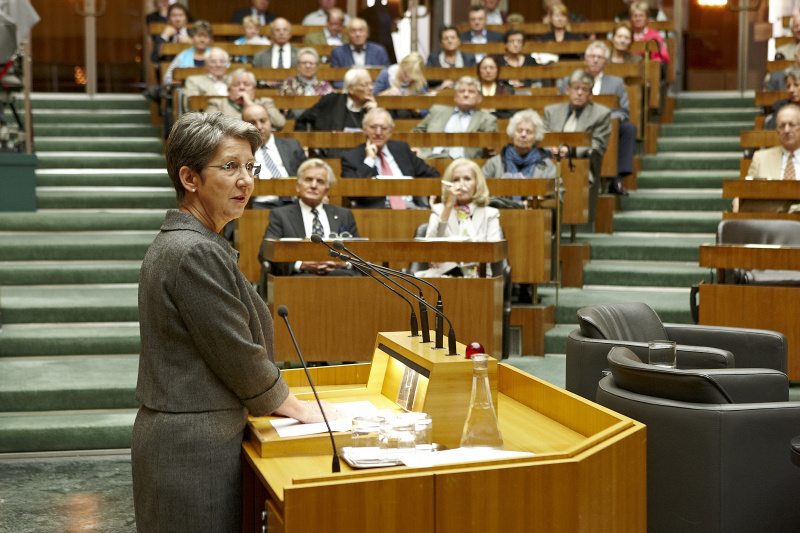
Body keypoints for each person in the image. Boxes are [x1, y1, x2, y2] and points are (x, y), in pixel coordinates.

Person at [132, 112, 341, 533]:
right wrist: (302, 409)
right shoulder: (194, 251)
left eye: (250, 167)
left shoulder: (197, 243)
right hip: (194, 448)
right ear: (190, 178)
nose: (246, 180)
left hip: (195, 436)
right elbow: (237, 354)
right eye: (230, 166)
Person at [258, 159, 361, 274]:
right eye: (308, 180)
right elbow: (266, 252)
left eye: (320, 181)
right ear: (298, 186)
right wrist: (300, 264)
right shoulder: (281, 215)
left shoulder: (344, 215)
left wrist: (345, 263)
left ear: (327, 191)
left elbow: (360, 253)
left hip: (339, 276)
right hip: (300, 276)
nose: (313, 186)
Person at [560, 41, 636, 195]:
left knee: (628, 128)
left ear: (606, 63)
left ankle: (616, 179)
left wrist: (603, 118)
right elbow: (561, 106)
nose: (595, 60)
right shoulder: (570, 80)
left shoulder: (616, 83)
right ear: (585, 60)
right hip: (576, 121)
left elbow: (623, 112)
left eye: (600, 57)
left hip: (606, 125)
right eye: (592, 56)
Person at [544, 69, 612, 223]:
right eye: (576, 88)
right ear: (568, 90)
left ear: (591, 95)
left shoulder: (601, 114)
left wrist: (570, 150)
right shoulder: (551, 111)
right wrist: (549, 147)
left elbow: (598, 144)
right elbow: (541, 137)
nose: (579, 93)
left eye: (584, 90)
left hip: (579, 165)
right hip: (549, 161)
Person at [416, 158, 502, 278]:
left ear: (477, 183)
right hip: (442, 275)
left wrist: (450, 254)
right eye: (456, 180)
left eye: (467, 179)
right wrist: (448, 206)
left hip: (478, 276)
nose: (461, 184)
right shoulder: (439, 210)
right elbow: (429, 247)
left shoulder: (490, 214)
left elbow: (493, 251)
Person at [341, 107, 439, 209]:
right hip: (375, 212)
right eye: (373, 127)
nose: (378, 132)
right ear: (364, 129)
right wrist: (369, 161)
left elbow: (432, 174)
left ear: (391, 131)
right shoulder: (351, 157)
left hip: (411, 208)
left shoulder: (402, 149)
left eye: (383, 128)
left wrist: (432, 194)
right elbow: (351, 193)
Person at [294, 67, 376, 157]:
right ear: (350, 89)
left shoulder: (372, 108)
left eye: (371, 84)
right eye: (364, 85)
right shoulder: (331, 101)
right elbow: (302, 121)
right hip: (331, 156)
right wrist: (304, 143)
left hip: (365, 155)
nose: (371, 88)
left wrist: (374, 112)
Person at [411, 76, 498, 159]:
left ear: (479, 98)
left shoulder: (487, 119)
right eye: (462, 91)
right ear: (455, 96)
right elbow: (416, 132)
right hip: (430, 158)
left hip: (464, 163)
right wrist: (415, 146)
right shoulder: (437, 111)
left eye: (471, 92)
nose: (466, 94)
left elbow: (492, 146)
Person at [243, 103, 306, 209]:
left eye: (263, 121)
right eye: (252, 123)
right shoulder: (241, 151)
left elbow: (308, 172)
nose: (259, 127)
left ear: (270, 121)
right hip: (259, 206)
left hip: (293, 204)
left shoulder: (292, 145)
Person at [739, 104, 800, 213]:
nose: (786, 130)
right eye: (782, 126)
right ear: (777, 130)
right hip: (768, 220)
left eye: (792, 125)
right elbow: (747, 191)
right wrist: (737, 200)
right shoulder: (760, 158)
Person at [482, 108, 556, 180]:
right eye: (519, 131)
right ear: (512, 133)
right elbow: (480, 185)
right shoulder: (495, 163)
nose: (523, 135)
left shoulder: (547, 166)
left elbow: (557, 187)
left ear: (536, 137)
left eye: (529, 132)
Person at [206, 68, 285, 130]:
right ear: (229, 90)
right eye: (236, 84)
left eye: (246, 84)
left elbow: (279, 124)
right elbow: (208, 126)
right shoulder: (217, 104)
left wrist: (250, 105)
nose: (242, 87)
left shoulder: (265, 103)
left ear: (254, 89)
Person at [279, 47, 334, 118]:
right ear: (298, 65)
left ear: (317, 66)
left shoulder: (324, 85)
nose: (308, 66)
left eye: (311, 63)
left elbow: (333, 106)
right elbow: (283, 106)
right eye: (304, 63)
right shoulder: (289, 83)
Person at [373, 51, 428, 118]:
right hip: (387, 116)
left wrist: (414, 106)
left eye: (411, 77)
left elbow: (426, 108)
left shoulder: (420, 82)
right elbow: (373, 99)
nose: (406, 79)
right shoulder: (386, 75)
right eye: (404, 73)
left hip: (410, 120)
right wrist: (387, 93)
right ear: (401, 64)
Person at [161, 19, 212, 88]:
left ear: (210, 39)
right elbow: (166, 79)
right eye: (199, 36)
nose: (202, 40)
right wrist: (182, 83)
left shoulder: (217, 55)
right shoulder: (183, 56)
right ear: (193, 37)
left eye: (205, 37)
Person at [182, 47, 229, 112]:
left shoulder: (234, 81)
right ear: (206, 64)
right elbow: (191, 110)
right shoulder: (194, 81)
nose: (218, 65)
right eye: (213, 61)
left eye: (222, 61)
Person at [476, 55, 515, 119]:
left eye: (492, 67)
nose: (488, 71)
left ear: (497, 70)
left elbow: (511, 114)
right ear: (479, 70)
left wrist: (490, 114)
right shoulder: (473, 89)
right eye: (484, 68)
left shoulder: (507, 89)